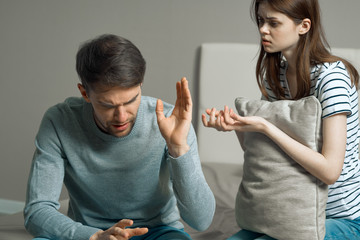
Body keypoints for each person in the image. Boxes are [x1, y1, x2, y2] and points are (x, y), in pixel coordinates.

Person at [24, 34, 215, 240]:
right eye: (108, 105)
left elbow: (201, 220)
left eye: (131, 100)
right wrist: (94, 236)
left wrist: (178, 148)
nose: (121, 116)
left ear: (140, 85)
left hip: (158, 232)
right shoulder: (59, 121)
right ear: (85, 93)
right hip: (88, 232)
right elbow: (37, 210)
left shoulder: (171, 121)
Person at [202, 0, 360, 239]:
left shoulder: (332, 78)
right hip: (291, 212)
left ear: (304, 26)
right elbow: (261, 151)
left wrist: (266, 127)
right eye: (261, 21)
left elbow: (330, 171)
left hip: (342, 219)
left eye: (273, 23)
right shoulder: (275, 76)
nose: (263, 30)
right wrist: (235, 126)